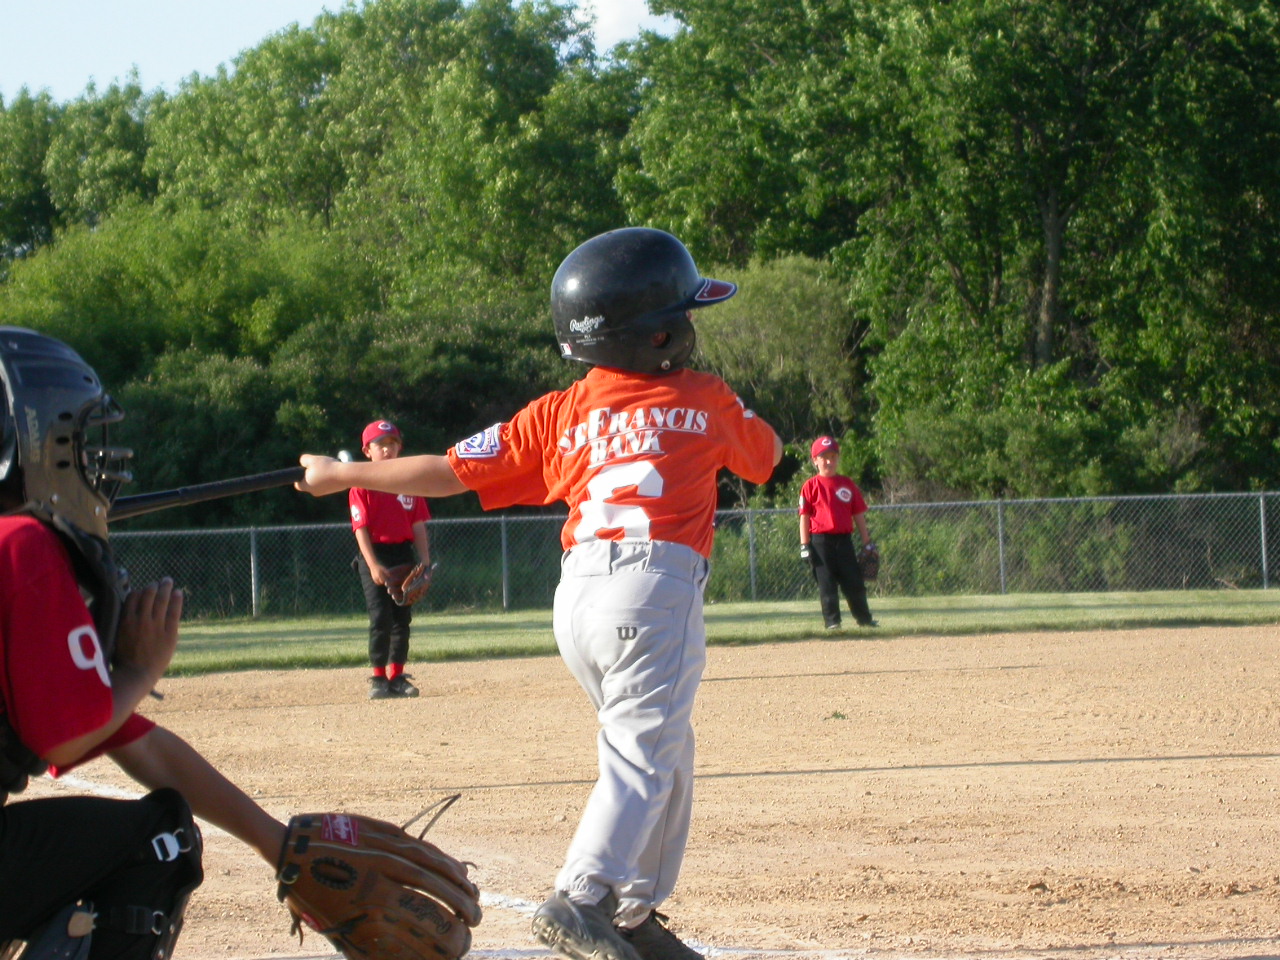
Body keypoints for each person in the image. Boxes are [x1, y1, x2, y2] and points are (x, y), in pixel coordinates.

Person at [297, 227, 783, 960]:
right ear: (657, 336)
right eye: (681, 316)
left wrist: (342, 475)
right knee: (643, 752)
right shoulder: (705, 397)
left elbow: (446, 472)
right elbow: (766, 458)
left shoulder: (561, 412)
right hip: (653, 588)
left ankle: (632, 914)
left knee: (663, 748)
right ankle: (582, 897)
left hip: (579, 597)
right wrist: (713, 415)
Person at [0, 326, 287, 960]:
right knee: (162, 840)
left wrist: (277, 843)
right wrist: (139, 668)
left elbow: (133, 738)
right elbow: (66, 737)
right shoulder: (22, 544)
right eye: (78, 437)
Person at [350, 419, 432, 700]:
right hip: (374, 554)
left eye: (392, 444)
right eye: (380, 445)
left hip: (403, 553)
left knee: (401, 618)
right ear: (367, 451)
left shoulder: (409, 483)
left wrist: (425, 562)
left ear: (399, 448)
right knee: (380, 617)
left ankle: (397, 676)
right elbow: (360, 529)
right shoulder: (361, 485)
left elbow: (418, 525)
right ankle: (378, 678)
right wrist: (373, 565)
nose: (387, 449)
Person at [798, 435, 878, 629]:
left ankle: (865, 620)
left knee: (854, 582)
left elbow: (858, 514)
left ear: (838, 459)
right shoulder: (810, 486)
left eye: (833, 457)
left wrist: (867, 541)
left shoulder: (847, 484)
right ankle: (833, 623)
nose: (829, 461)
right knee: (827, 585)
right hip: (820, 542)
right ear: (815, 460)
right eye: (824, 457)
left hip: (844, 541)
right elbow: (804, 516)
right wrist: (804, 545)